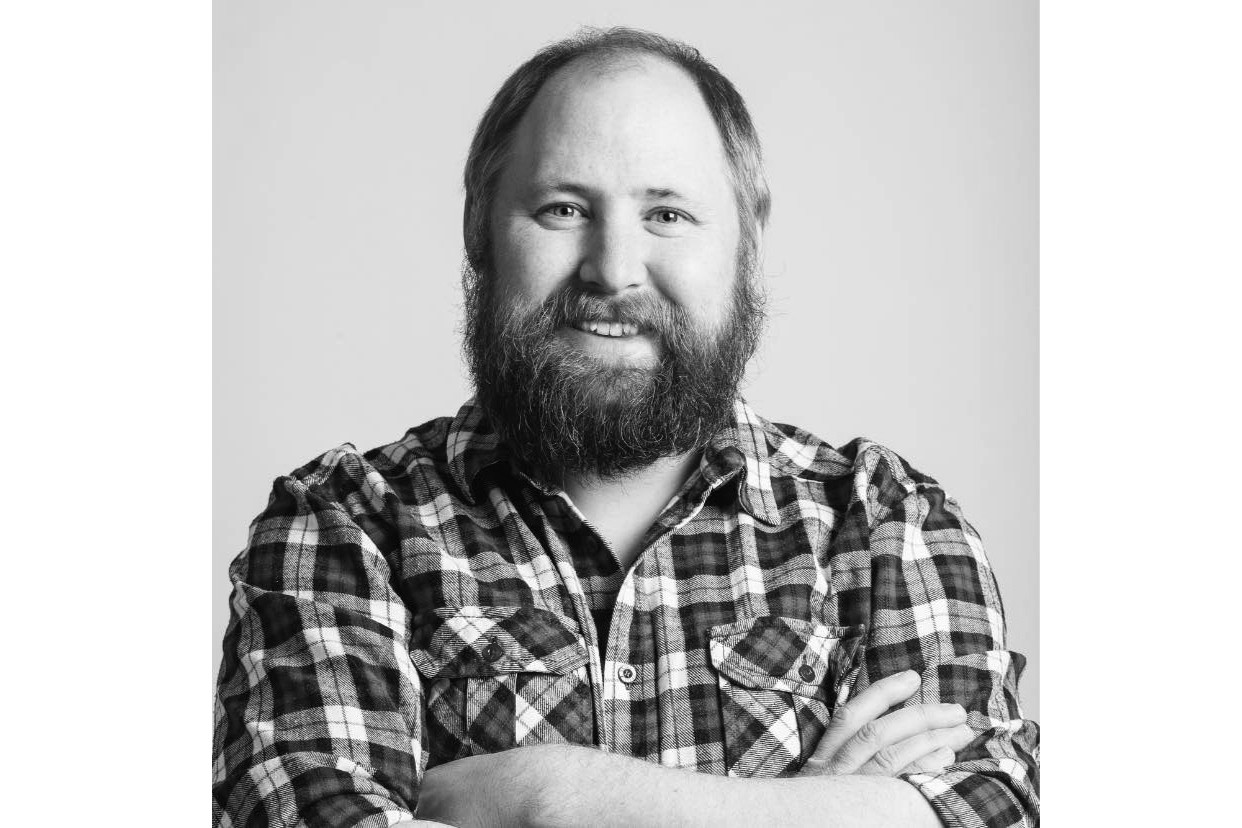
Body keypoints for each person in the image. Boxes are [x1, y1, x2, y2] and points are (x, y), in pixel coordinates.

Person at [213, 26, 1038, 828]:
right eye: (564, 208)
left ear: (747, 243)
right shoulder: (342, 524)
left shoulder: (885, 523)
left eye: (668, 214)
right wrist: (821, 809)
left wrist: (547, 796)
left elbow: (990, 805)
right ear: (479, 230)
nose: (613, 269)